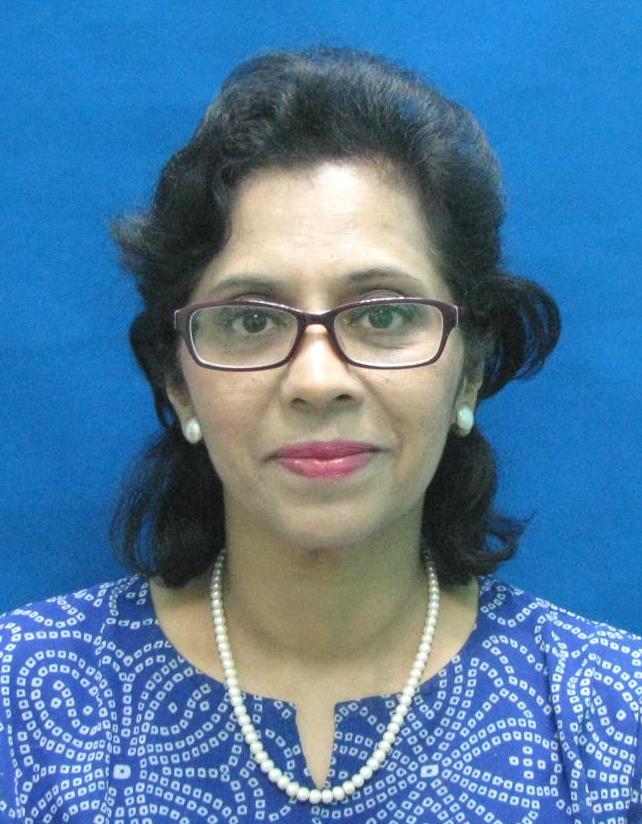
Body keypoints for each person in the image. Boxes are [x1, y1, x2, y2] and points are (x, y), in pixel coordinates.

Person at [0, 47, 640, 824]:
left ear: (470, 373)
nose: (316, 379)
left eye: (383, 314)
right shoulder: (21, 707)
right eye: (250, 320)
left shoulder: (612, 723)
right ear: (178, 382)